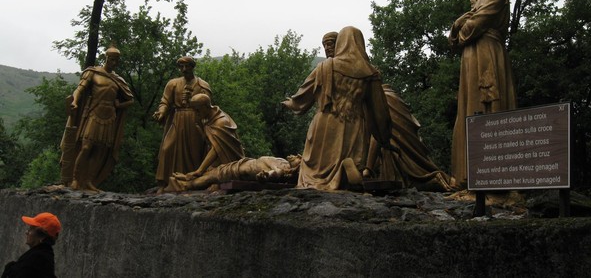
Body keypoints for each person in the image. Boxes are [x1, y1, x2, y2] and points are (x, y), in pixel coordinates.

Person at [322, 31, 455, 191]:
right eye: (325, 45)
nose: (327, 48)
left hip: (381, 142)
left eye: (331, 43)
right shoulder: (327, 71)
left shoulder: (377, 89)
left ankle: (366, 171)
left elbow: (378, 125)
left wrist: (367, 169)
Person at [282, 26, 392, 190]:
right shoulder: (370, 73)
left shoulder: (326, 66)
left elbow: (302, 98)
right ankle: (344, 169)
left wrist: (289, 103)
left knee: (313, 176)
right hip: (353, 125)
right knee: (350, 166)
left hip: (324, 123)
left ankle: (324, 181)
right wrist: (384, 138)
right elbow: (380, 113)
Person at [448, 0, 517, 187]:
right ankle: (468, 176)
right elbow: (456, 39)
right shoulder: (477, 4)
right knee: (469, 107)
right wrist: (459, 26)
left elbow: (471, 28)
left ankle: (494, 177)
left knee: (488, 104)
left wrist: (461, 25)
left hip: (488, 54)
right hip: (471, 57)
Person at [60, 46, 134, 192]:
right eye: (111, 59)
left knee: (100, 150)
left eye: (116, 60)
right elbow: (79, 89)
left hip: (110, 117)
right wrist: (74, 100)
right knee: (86, 147)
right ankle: (75, 179)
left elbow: (130, 99)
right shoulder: (92, 73)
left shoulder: (118, 80)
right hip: (94, 113)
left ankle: (89, 181)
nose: (113, 62)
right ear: (106, 58)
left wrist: (119, 106)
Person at [154, 56, 212, 191]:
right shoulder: (172, 84)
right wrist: (162, 112)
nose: (184, 69)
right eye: (181, 67)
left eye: (187, 66)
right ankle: (163, 183)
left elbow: (207, 105)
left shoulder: (202, 85)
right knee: (167, 148)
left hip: (195, 119)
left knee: (195, 151)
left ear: (192, 67)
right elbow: (165, 101)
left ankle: (192, 182)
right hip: (177, 118)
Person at [174, 93, 245, 182]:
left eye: (197, 110)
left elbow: (216, 149)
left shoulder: (221, 122)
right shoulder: (207, 118)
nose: (196, 114)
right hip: (215, 164)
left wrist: (199, 171)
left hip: (229, 164)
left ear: (205, 107)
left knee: (195, 182)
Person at [164, 154, 302, 192]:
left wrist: (267, 176)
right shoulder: (282, 163)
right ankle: (187, 179)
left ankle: (183, 185)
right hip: (241, 166)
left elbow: (277, 173)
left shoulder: (283, 165)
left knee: (211, 177)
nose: (296, 155)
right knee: (211, 175)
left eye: (299, 157)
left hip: (238, 170)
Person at [2, 212, 62, 278]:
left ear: (42, 236)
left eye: (31, 229)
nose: (26, 232)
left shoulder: (38, 258)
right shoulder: (40, 254)